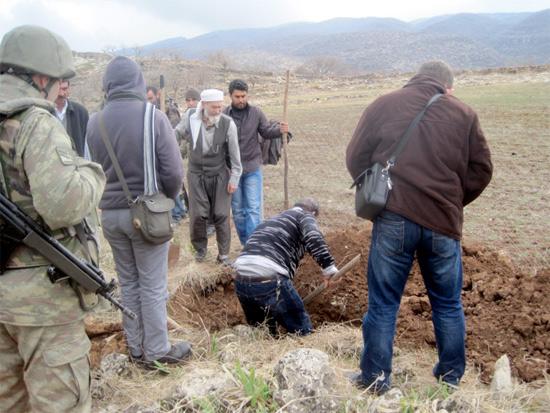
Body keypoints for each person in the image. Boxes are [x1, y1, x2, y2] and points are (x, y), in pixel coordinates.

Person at [345, 61, 493, 394]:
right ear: (448, 87)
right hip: (443, 222)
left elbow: (355, 157)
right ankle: (451, 378)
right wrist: (453, 200)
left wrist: (378, 189)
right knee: (448, 303)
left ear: (415, 79)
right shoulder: (465, 114)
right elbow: (482, 170)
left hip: (394, 216)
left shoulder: (384, 104)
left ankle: (375, 378)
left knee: (383, 303)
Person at [0, 25, 106, 412]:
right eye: (59, 79)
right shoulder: (35, 122)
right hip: (42, 302)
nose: (61, 87)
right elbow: (63, 203)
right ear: (40, 76)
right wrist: (91, 172)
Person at [86, 56, 191, 367]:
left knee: (129, 282)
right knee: (153, 284)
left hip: (110, 216)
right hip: (146, 216)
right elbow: (173, 173)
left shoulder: (94, 121)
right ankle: (157, 352)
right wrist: (166, 201)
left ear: (107, 86)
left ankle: (135, 349)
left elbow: (89, 169)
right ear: (138, 83)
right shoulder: (153, 117)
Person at [232, 198, 338, 335]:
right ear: (313, 213)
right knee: (302, 331)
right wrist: (328, 268)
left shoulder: (272, 220)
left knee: (262, 334)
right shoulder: (304, 215)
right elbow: (313, 236)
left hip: (240, 279)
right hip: (269, 278)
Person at [175, 89, 242, 265]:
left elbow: (236, 158)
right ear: (204, 105)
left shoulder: (228, 124)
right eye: (214, 107)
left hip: (220, 175)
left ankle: (224, 255)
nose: (218, 110)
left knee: (221, 214)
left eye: (221, 106)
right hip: (196, 175)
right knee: (198, 215)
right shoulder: (190, 118)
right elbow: (175, 134)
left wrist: (234, 179)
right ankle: (200, 250)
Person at [224, 79, 288, 245]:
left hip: (252, 166)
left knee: (253, 209)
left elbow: (266, 131)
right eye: (237, 96)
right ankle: (246, 244)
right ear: (230, 96)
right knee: (238, 211)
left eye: (243, 96)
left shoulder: (256, 113)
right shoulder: (224, 115)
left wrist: (280, 130)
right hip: (232, 171)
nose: (241, 100)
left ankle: (255, 245)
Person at [54, 79, 89, 157]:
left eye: (64, 89)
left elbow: (86, 147)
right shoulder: (43, 113)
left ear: (69, 88)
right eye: (58, 89)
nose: (61, 93)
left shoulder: (81, 112)